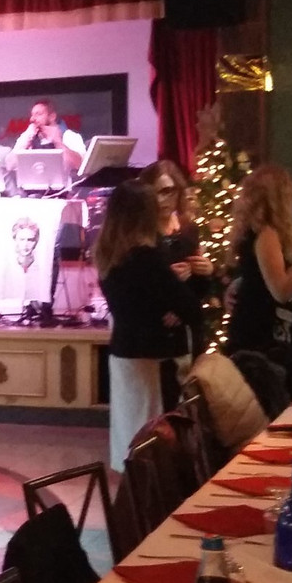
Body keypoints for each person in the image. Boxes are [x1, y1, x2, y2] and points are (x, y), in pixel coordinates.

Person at [94, 180, 199, 471]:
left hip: (124, 351)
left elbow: (135, 302)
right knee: (155, 437)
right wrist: (179, 302)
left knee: (128, 433)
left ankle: (131, 490)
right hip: (154, 356)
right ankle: (151, 493)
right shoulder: (146, 256)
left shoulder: (107, 254)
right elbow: (190, 307)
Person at [225, 164, 292, 389]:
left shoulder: (256, 232)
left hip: (255, 332)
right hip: (260, 338)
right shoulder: (267, 234)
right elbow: (280, 290)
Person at [139, 160, 213, 357]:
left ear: (179, 191)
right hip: (153, 330)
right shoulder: (141, 234)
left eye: (168, 191)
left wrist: (205, 271)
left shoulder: (188, 229)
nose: (161, 199)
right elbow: (134, 286)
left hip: (186, 329)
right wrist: (167, 281)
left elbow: (198, 288)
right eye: (154, 193)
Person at [5, 99, 87, 175]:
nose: (32, 119)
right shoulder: (27, 137)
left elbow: (79, 165)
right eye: (32, 115)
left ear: (52, 117)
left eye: (38, 114)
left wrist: (58, 142)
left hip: (63, 186)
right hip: (31, 184)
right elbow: (9, 166)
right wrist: (25, 143)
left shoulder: (70, 136)